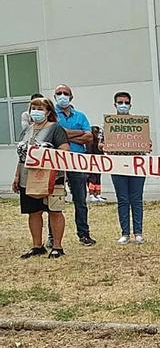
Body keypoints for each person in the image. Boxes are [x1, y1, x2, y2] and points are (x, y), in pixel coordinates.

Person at [12, 96, 70, 259]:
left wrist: (45, 154)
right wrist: (17, 176)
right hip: (27, 177)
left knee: (54, 211)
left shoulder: (55, 128)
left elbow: (64, 150)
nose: (36, 112)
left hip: (51, 177)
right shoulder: (27, 130)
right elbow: (22, 156)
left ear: (48, 112)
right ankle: (37, 246)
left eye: (40, 109)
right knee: (33, 211)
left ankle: (57, 246)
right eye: (33, 109)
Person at [54, 84, 96, 246]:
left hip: (78, 162)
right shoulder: (51, 116)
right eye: (59, 93)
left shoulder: (80, 116)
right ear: (55, 96)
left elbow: (89, 137)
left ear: (71, 97)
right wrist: (78, 133)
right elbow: (53, 134)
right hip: (57, 162)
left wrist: (63, 135)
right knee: (55, 201)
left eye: (66, 93)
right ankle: (54, 237)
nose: (62, 95)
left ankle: (83, 234)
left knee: (80, 200)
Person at [105, 92, 149, 245]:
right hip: (117, 165)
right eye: (120, 102)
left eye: (126, 102)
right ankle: (125, 233)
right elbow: (101, 144)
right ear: (115, 104)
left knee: (137, 199)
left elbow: (147, 143)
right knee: (122, 199)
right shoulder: (109, 124)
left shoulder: (138, 123)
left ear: (130, 104)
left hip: (137, 165)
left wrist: (147, 145)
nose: (123, 105)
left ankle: (138, 232)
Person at [86, 126, 107, 203]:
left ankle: (98, 194)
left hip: (99, 162)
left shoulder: (99, 142)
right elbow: (89, 152)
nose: (97, 134)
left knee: (98, 178)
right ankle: (91, 194)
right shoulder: (90, 143)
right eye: (95, 132)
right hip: (92, 162)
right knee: (92, 178)